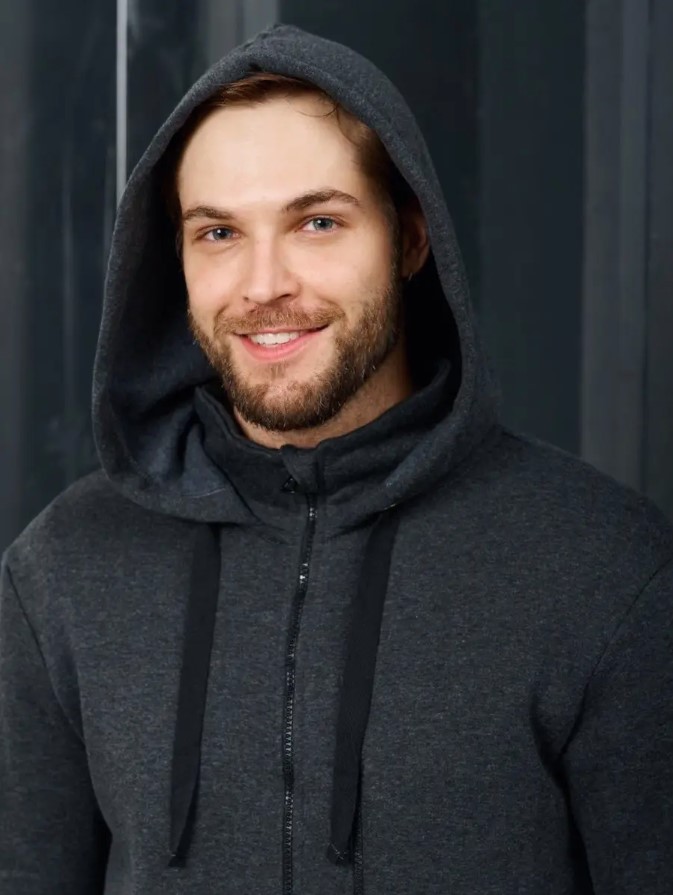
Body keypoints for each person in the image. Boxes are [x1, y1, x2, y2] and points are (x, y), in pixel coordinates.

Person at [1, 23, 672, 895]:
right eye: (218, 233)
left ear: (410, 237)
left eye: (317, 222)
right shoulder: (64, 568)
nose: (263, 284)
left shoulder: (605, 568)